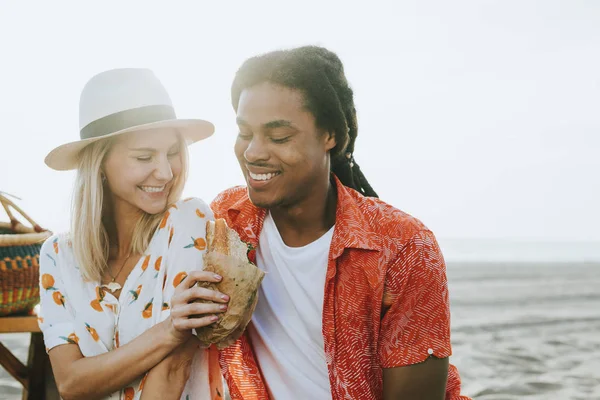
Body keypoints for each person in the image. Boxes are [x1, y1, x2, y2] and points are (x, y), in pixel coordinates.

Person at [210, 46, 471, 399]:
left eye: (279, 137)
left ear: (330, 135)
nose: (254, 152)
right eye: (245, 133)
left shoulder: (403, 246)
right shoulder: (227, 219)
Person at [39, 68, 229, 400]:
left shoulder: (188, 221)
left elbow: (173, 371)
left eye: (172, 152)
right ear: (99, 162)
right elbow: (70, 384)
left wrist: (172, 338)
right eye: (144, 156)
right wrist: (169, 331)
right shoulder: (56, 255)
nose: (167, 172)